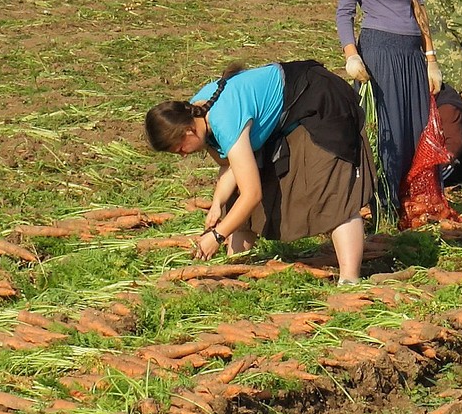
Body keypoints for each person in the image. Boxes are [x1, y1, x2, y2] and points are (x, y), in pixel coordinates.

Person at [146, 60, 371, 283]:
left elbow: (252, 194)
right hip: (287, 116)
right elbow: (229, 165)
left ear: (187, 131)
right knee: (235, 201)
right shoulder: (197, 110)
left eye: (180, 149)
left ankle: (349, 281)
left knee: (332, 194)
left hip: (320, 102)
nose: (183, 155)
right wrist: (217, 204)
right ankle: (236, 270)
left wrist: (217, 235)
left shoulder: (224, 120)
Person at [337, 0, 434, 225]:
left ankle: (416, 206)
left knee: (418, 126)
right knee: (388, 131)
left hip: (410, 53)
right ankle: (384, 210)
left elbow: (418, 4)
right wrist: (351, 54)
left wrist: (431, 57)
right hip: (380, 50)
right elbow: (345, 9)